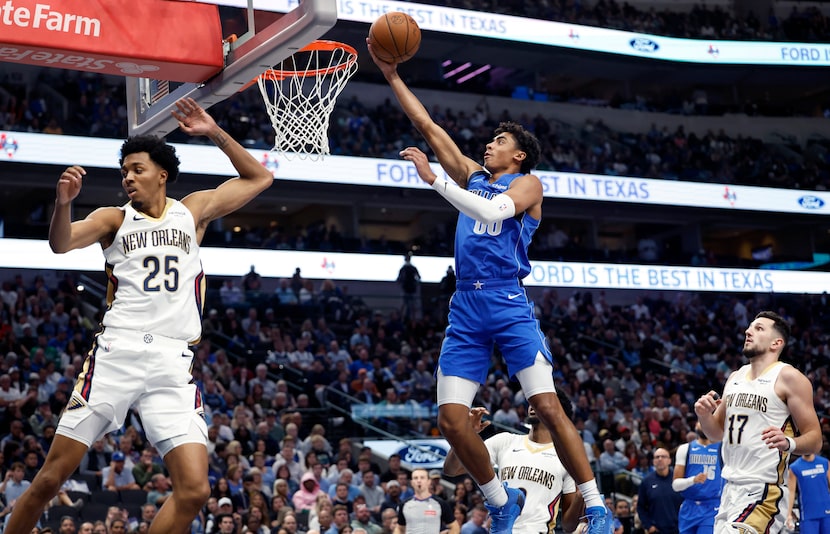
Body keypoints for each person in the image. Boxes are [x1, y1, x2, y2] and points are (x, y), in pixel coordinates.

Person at [367, 37, 607, 534]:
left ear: (518, 155)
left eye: (498, 142)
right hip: (465, 305)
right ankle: (501, 502)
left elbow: (490, 211)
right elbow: (429, 126)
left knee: (546, 405)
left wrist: (434, 181)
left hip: (506, 298)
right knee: (452, 422)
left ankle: (596, 504)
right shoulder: (474, 176)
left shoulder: (527, 186)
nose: (488, 145)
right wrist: (391, 75)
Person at [2, 96, 274, 534]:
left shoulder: (193, 211)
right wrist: (63, 203)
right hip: (118, 354)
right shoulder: (113, 218)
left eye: (138, 169)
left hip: (172, 364)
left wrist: (213, 132)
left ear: (162, 175)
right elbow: (61, 243)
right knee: (51, 478)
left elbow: (260, 176)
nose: (128, 177)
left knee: (194, 491)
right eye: (124, 171)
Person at [695, 311, 822, 534]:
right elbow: (716, 434)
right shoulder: (735, 377)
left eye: (759, 328)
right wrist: (704, 415)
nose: (748, 331)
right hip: (729, 490)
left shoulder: (789, 377)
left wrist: (789, 443)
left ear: (777, 342)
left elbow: (815, 440)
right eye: (750, 327)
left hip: (764, 491)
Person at [443, 390, 584, 534]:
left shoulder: (566, 458)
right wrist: (465, 434)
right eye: (532, 401)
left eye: (541, 403)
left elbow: (568, 526)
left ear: (558, 413)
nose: (532, 405)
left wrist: (580, 497)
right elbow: (451, 470)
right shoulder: (505, 441)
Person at [672, 424, 723, 534]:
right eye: (700, 422)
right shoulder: (685, 449)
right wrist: (693, 480)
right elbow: (675, 485)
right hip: (689, 506)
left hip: (712, 507)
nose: (702, 425)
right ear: (695, 425)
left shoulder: (722, 448)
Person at [394, 468, 457, 534]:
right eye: (415, 478)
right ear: (412, 483)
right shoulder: (404, 505)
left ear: (429, 481)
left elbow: (455, 527)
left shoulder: (440, 503)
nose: (419, 481)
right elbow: (399, 528)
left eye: (422, 478)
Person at [636, 448, 683, 534]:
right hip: (657, 530)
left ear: (669, 460)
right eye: (657, 457)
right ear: (653, 461)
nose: (660, 459)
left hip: (679, 529)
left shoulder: (678, 478)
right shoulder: (646, 482)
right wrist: (648, 526)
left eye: (663, 456)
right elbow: (640, 507)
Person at [786, 452, 830, 534]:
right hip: (807, 515)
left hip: (827, 512)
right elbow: (791, 492)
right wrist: (788, 514)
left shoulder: (824, 462)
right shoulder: (794, 467)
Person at [396, 253, 421, 322]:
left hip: (409, 289)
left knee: (409, 305)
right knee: (406, 304)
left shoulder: (406, 268)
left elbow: (398, 279)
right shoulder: (406, 268)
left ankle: (412, 320)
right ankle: (403, 319)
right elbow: (419, 277)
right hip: (408, 289)